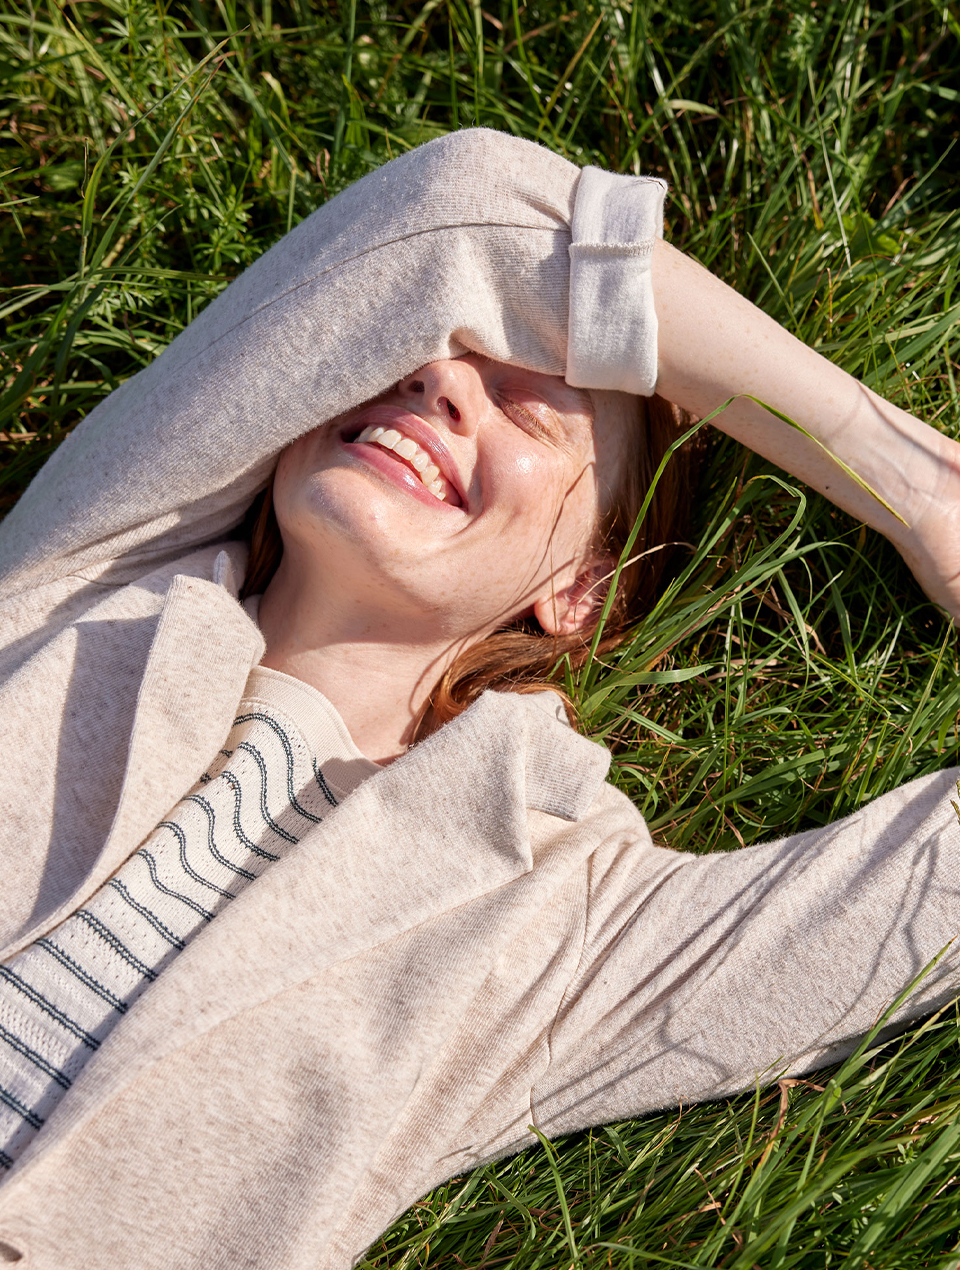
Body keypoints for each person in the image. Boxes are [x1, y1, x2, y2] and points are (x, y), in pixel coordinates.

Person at [0, 128, 957, 1270]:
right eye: (418, 356)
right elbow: (477, 208)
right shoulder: (86, 578)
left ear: (581, 587)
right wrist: (911, 479)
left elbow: (918, 901)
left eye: (527, 405)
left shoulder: (544, 918)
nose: (441, 379)